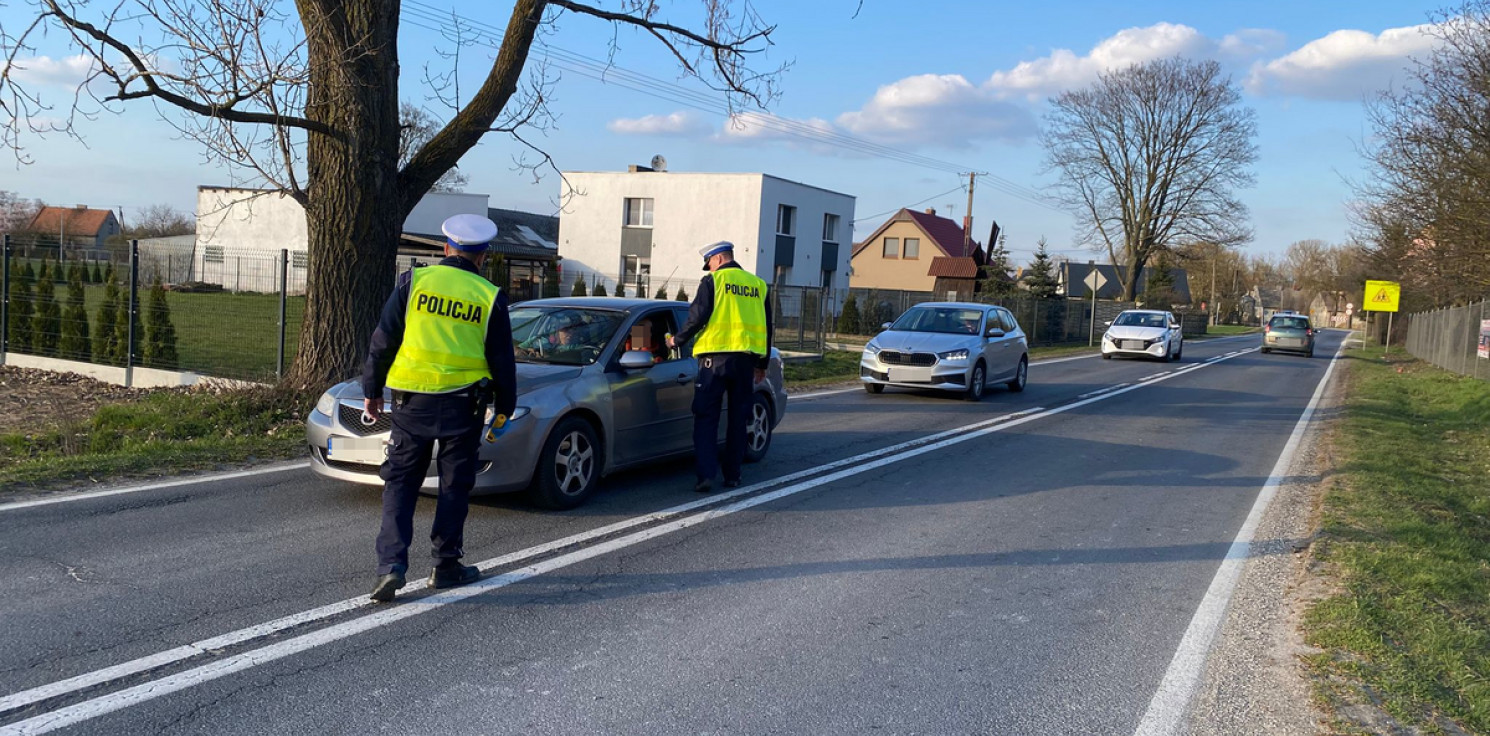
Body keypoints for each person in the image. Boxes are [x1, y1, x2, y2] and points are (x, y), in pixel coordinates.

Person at [361, 213, 517, 603]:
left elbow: (383, 339)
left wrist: (372, 389)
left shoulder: (414, 282)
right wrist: (506, 406)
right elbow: (502, 360)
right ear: (482, 255)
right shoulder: (489, 296)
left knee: (400, 484)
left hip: (410, 404)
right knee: (454, 487)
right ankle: (445, 565)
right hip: (463, 407)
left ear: (446, 248)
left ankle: (390, 567)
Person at [667, 241, 772, 494]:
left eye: (709, 264)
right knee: (738, 419)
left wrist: (676, 340)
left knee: (706, 418)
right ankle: (733, 475)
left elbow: (697, 316)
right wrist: (762, 364)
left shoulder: (713, 282)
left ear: (718, 259)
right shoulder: (758, 285)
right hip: (745, 362)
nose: (709, 269)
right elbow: (768, 327)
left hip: (714, 362)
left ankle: (705, 476)